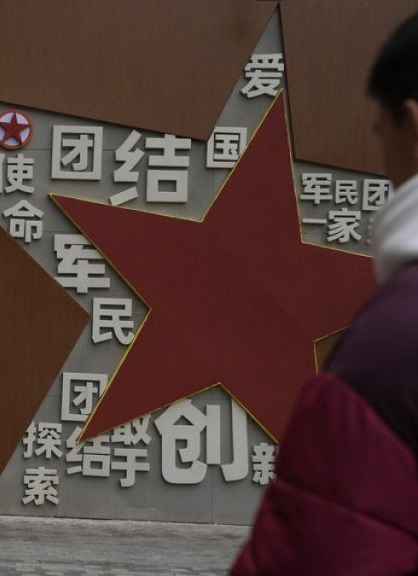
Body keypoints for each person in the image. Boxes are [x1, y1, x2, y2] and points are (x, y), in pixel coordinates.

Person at [232, 12, 418, 574]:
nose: (385, 168)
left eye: (381, 137)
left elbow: (327, 549)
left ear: (412, 122)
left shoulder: (394, 345)